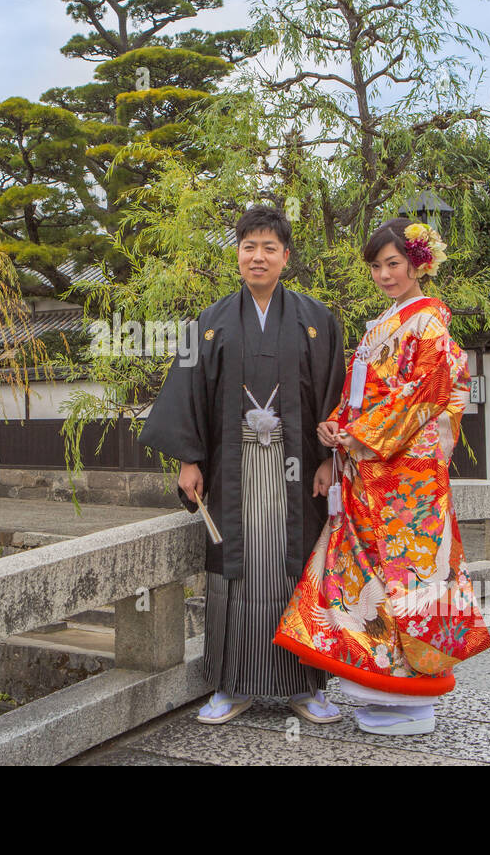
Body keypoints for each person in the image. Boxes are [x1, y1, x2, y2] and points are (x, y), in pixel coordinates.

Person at [273, 217, 490, 735]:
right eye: (376, 266)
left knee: (411, 580)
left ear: (419, 263)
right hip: (367, 472)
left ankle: (411, 694)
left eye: (393, 264)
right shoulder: (382, 324)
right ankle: (377, 685)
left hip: (406, 480)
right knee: (367, 576)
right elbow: (362, 395)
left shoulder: (430, 322)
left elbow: (428, 395)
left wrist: (362, 435)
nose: (384, 274)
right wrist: (337, 427)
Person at [139, 204, 346, 725]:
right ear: (237, 253)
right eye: (249, 247)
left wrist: (329, 461)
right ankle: (233, 686)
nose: (258, 257)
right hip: (233, 474)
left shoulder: (318, 321)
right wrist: (190, 460)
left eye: (269, 248)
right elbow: (186, 397)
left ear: (286, 257)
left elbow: (335, 395)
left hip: (296, 472)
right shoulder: (207, 324)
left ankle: (307, 686)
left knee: (296, 570)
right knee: (237, 576)